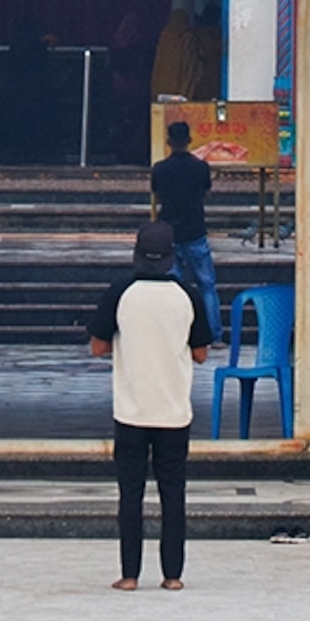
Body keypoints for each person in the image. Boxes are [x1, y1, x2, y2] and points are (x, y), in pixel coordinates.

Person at [89, 218, 213, 592]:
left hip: (132, 408)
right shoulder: (187, 295)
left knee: (131, 493)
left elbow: (98, 346)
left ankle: (129, 574)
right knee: (173, 492)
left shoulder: (120, 292)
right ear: (172, 257)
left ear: (136, 254)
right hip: (173, 410)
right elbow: (202, 354)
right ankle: (172, 575)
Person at [150, 121, 220, 340]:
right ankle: (214, 335)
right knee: (207, 286)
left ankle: (177, 334)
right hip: (196, 230)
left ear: (169, 142)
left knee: (173, 288)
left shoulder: (160, 169)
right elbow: (206, 192)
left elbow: (157, 194)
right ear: (189, 140)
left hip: (169, 233)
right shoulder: (200, 167)